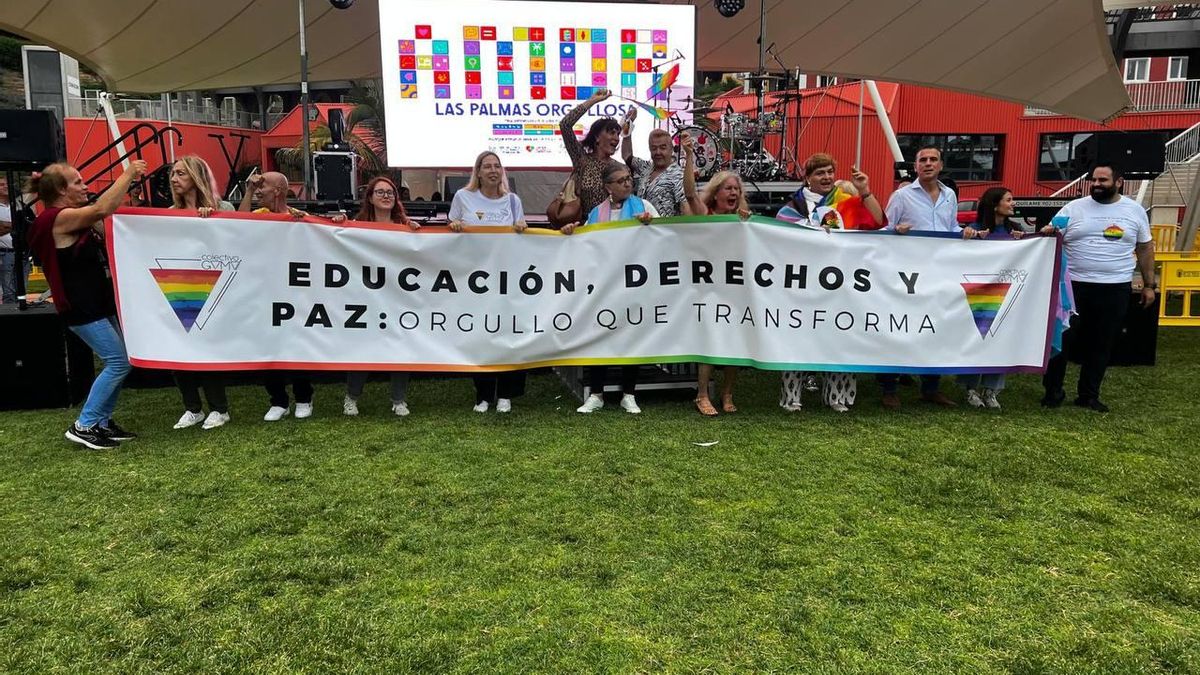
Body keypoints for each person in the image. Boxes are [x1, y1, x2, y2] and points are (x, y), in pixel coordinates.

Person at [27, 160, 148, 449]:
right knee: (118, 361)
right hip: (80, 306)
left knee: (122, 361)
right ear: (61, 190)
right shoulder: (56, 218)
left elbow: (105, 228)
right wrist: (128, 173)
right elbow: (101, 209)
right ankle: (85, 424)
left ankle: (102, 423)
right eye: (78, 182)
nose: (86, 187)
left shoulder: (72, 216)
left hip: (97, 302)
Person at [776, 153, 885, 413]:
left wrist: (865, 191)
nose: (826, 177)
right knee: (798, 337)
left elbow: (878, 221)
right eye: (819, 173)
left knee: (840, 335)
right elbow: (780, 237)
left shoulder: (846, 202)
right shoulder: (792, 207)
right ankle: (792, 396)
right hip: (804, 284)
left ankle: (837, 396)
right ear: (808, 178)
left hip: (840, 282)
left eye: (829, 172)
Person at [1042, 163, 1155, 412]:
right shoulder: (1074, 208)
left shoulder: (1135, 211)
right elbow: (1049, 236)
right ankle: (1053, 392)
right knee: (1063, 338)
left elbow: (1145, 248)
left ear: (1119, 182)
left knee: (1102, 342)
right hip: (1073, 287)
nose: (1096, 184)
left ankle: (1089, 395)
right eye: (1093, 180)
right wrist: (1047, 231)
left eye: (1103, 180)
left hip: (1115, 288)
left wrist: (1149, 285)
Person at [878, 145, 959, 409]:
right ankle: (889, 388)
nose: (928, 163)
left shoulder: (949, 196)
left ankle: (930, 387)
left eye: (933, 159)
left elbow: (951, 227)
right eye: (923, 160)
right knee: (898, 327)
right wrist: (896, 231)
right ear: (915, 167)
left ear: (941, 165)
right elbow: (883, 230)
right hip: (907, 273)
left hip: (938, 272)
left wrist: (966, 233)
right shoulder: (902, 196)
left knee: (934, 328)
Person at [448, 151, 528, 413]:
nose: (493, 170)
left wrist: (522, 227)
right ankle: (483, 395)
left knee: (508, 334)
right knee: (480, 335)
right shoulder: (463, 197)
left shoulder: (513, 201)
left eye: (497, 166)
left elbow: (522, 235)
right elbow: (452, 226)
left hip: (506, 279)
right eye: (487, 166)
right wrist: (455, 226)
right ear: (478, 172)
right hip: (476, 279)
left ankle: (506, 394)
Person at [574, 163, 657, 415]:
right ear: (607, 186)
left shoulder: (644, 207)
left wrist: (649, 226)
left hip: (633, 283)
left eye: (629, 178)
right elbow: (585, 245)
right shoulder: (596, 213)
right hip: (604, 285)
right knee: (600, 336)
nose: (627, 183)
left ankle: (628, 394)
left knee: (630, 336)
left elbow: (664, 237)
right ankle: (596, 394)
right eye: (621, 180)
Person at [682, 133, 750, 416]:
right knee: (710, 339)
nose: (733, 193)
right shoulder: (704, 213)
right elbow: (689, 193)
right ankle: (702, 395)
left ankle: (727, 393)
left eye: (737, 189)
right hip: (708, 288)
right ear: (717, 192)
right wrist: (689, 157)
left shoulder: (745, 218)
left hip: (734, 288)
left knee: (734, 341)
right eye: (728, 188)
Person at [167, 156, 237, 430]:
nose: (174, 179)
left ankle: (219, 409)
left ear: (196, 177)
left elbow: (236, 240)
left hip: (212, 289)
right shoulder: (168, 213)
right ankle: (192, 408)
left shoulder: (223, 208)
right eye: (173, 174)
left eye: (181, 174)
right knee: (177, 351)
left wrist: (212, 221)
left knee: (208, 351)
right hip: (177, 289)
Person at [240, 171, 315, 421]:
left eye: (262, 186)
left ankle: (304, 398)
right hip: (263, 293)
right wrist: (248, 191)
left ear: (278, 191)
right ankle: (279, 401)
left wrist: (308, 223)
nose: (258, 190)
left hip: (294, 294)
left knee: (297, 346)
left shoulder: (298, 217)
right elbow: (236, 225)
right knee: (268, 347)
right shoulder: (258, 216)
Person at [344, 176, 419, 418]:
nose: (386, 196)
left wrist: (417, 234)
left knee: (400, 348)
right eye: (380, 192)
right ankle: (351, 397)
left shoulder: (405, 226)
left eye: (390, 192)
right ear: (370, 197)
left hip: (397, 298)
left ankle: (399, 399)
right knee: (363, 349)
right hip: (367, 298)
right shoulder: (357, 225)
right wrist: (337, 225)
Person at [958, 187, 1027, 409]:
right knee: (976, 338)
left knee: (1000, 339)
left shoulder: (1016, 230)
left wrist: (1024, 241)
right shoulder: (975, 228)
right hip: (977, 292)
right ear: (995, 205)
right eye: (1009, 200)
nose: (1013, 203)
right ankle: (970, 388)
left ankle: (991, 390)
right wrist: (968, 237)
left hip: (1006, 293)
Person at [560, 88, 623, 220]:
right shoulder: (581, 160)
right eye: (612, 133)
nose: (616, 138)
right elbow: (565, 125)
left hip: (613, 227)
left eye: (618, 134)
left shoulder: (620, 168)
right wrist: (592, 100)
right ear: (597, 137)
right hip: (584, 227)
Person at [619, 107, 690, 217]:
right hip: (641, 225)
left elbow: (686, 210)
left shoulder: (679, 175)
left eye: (663, 148)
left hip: (665, 227)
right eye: (654, 148)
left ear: (671, 149)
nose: (658, 152)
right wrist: (629, 124)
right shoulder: (646, 167)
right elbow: (627, 155)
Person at [0, 177, 14, 304]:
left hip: (21, 253)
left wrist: (5, 225)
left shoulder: (17, 205)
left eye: (7, 184)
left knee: (21, 290)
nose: (5, 186)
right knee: (8, 292)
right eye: (1, 184)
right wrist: (16, 225)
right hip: (4, 253)